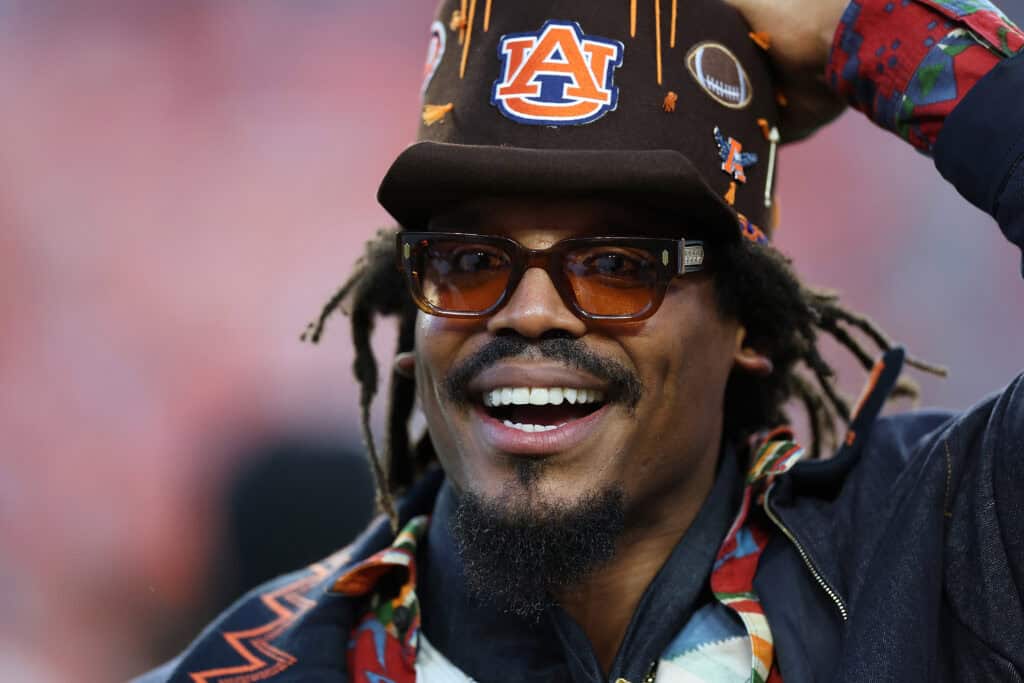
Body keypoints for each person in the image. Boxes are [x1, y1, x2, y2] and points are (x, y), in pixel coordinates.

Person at [136, 0, 1024, 680]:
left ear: (745, 315)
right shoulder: (254, 667)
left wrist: (878, 29)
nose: (529, 313)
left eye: (616, 264)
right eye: (469, 260)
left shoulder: (941, 563)